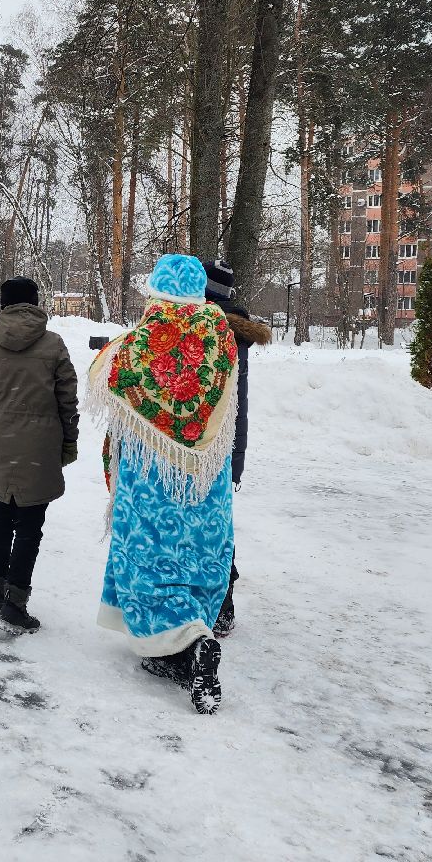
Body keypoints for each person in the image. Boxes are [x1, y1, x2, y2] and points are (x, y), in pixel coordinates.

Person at [89, 254, 239, 714]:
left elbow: (103, 373)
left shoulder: (137, 343)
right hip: (203, 483)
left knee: (150, 560)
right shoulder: (223, 340)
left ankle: (185, 649)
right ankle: (197, 635)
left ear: (157, 290)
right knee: (199, 557)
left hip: (151, 481)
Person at [0, 277, 79, 634]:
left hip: (1, 444)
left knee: (0, 519)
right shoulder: (52, 344)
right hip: (40, 446)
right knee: (31, 526)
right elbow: (68, 399)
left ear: (3, 305)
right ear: (35, 302)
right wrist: (69, 441)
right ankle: (15, 606)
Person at [202, 259, 272, 637]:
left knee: (210, 529)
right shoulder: (234, 329)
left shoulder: (213, 331)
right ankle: (222, 603)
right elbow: (239, 405)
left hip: (207, 444)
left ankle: (220, 602)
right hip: (226, 445)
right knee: (217, 526)